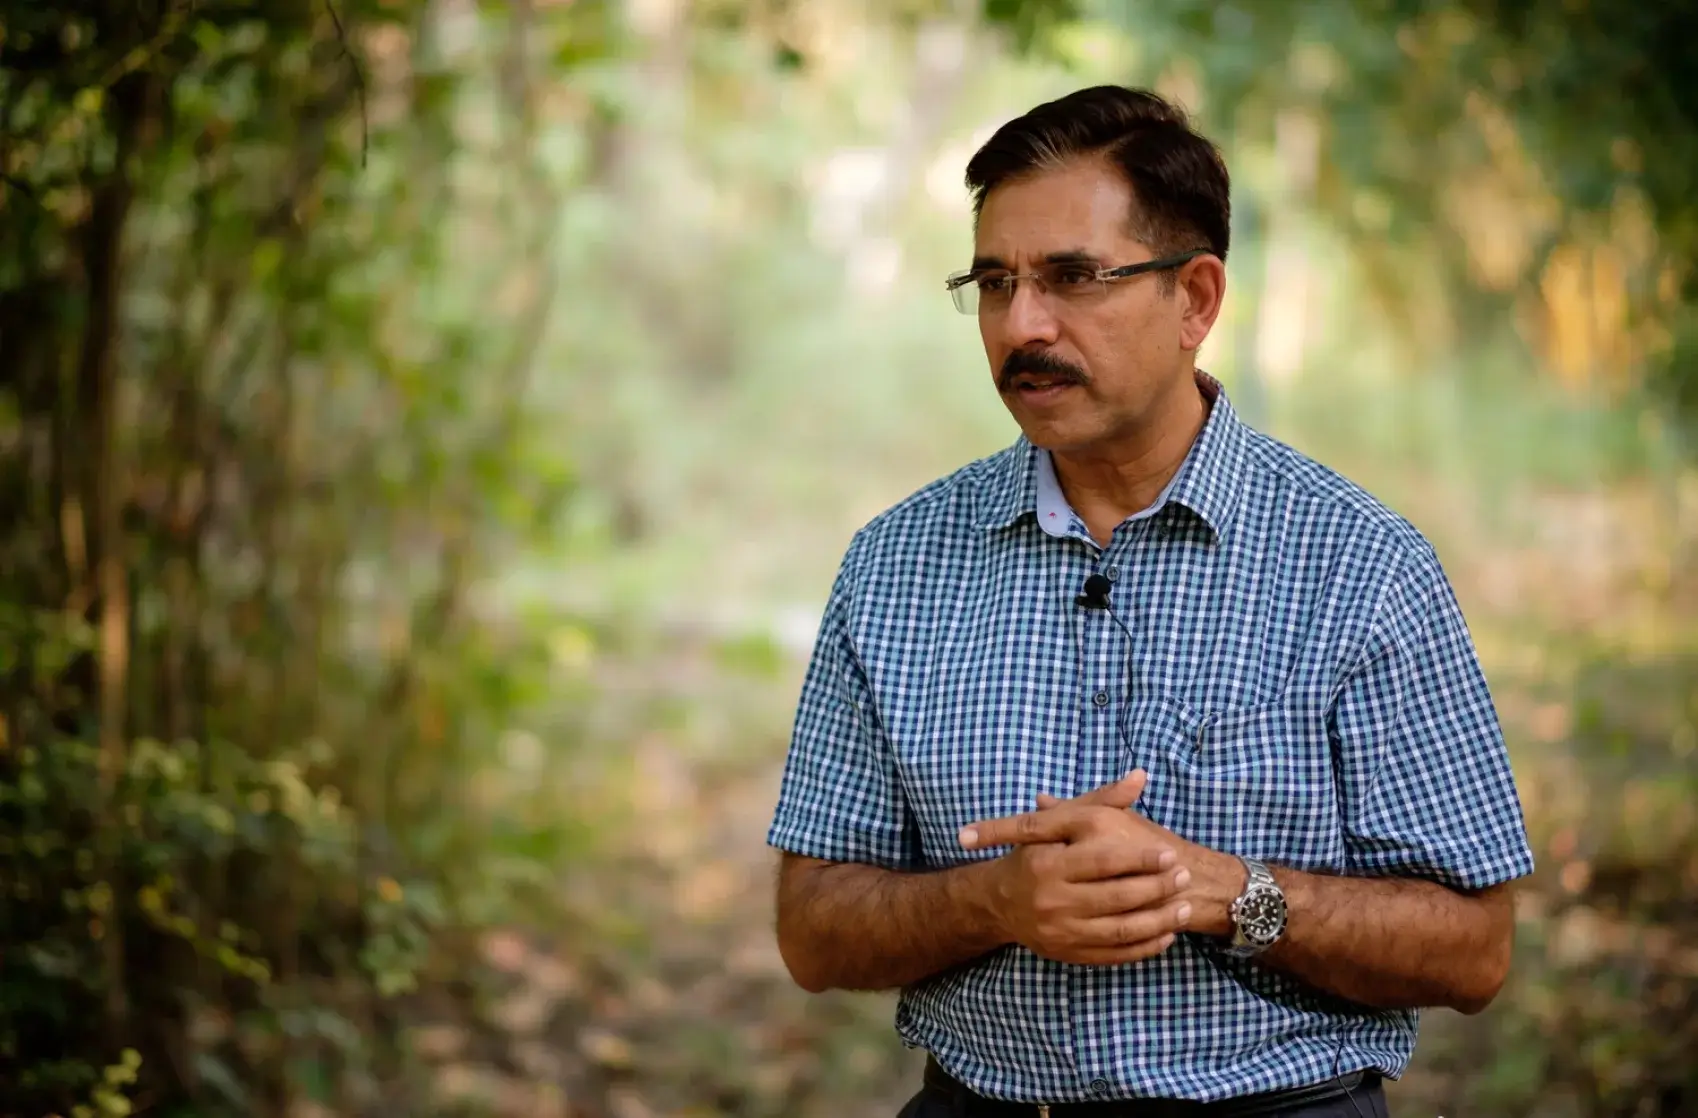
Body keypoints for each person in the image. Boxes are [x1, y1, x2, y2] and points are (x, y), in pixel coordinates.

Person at [765, 85, 1535, 1118]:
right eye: (994, 282)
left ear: (1197, 301)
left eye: (1073, 278)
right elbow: (811, 927)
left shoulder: (1359, 564)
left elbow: (1475, 948)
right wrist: (995, 898)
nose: (1021, 325)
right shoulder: (896, 565)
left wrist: (1222, 891)